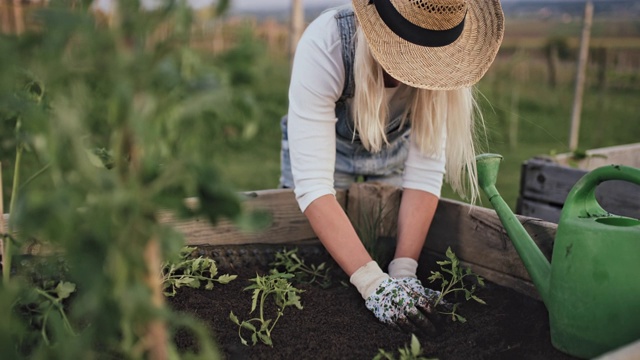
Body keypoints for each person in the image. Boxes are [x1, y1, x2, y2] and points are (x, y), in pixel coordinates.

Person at [279, 0, 504, 333]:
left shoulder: (441, 68)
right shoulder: (326, 45)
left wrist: (403, 273)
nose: (413, 72)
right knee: (305, 258)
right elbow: (313, 186)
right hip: (324, 147)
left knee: (382, 236)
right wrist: (373, 284)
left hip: (392, 151)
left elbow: (425, 172)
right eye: (407, 55)